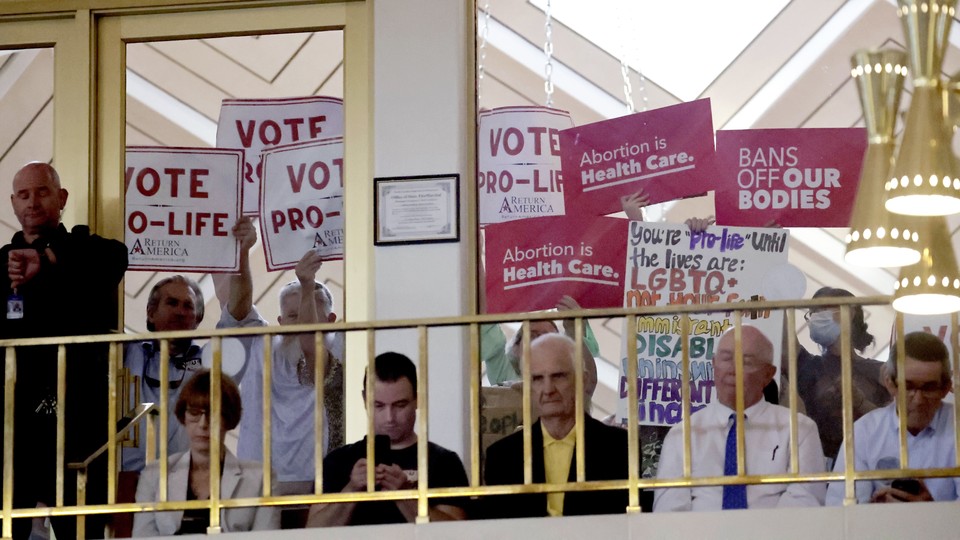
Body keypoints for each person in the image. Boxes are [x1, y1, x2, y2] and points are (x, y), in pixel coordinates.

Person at [0, 162, 128, 539]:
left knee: (79, 530)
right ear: (12, 203)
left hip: (77, 422)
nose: (33, 202)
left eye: (42, 191)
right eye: (23, 195)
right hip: (16, 427)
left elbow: (115, 259)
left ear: (62, 198)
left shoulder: (87, 250)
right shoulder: (2, 261)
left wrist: (48, 260)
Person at [221, 228, 342, 494]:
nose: (300, 324)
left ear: (331, 322)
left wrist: (308, 284)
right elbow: (239, 303)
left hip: (324, 483)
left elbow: (311, 342)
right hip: (260, 484)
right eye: (292, 316)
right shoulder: (260, 342)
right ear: (278, 322)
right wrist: (242, 253)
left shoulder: (341, 346)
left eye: (308, 313)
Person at [654, 326, 826, 511]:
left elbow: (805, 502)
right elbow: (669, 511)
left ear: (768, 374)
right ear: (714, 364)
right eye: (727, 359)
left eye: (746, 362)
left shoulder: (799, 429)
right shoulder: (683, 434)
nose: (733, 370)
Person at [306, 352, 469, 526]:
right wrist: (352, 491)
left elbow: (456, 533)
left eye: (400, 405)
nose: (390, 417)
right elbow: (313, 531)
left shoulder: (444, 462)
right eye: (379, 405)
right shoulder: (337, 461)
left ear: (417, 400)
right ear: (364, 400)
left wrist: (405, 497)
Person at [483, 334, 634, 517]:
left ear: (583, 380)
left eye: (558, 376)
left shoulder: (620, 448)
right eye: (537, 378)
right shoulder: (502, 457)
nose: (548, 389)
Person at [133, 370, 279, 535]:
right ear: (183, 417)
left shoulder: (260, 478)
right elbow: (143, 537)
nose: (203, 424)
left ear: (229, 419)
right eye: (194, 413)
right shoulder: (154, 474)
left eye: (213, 414)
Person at [826, 331, 960, 505]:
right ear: (890, 384)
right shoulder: (863, 433)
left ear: (945, 388)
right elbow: (842, 510)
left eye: (928, 388)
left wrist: (932, 510)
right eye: (908, 387)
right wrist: (876, 509)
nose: (918, 399)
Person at [794, 287, 890, 462]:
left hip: (870, 462)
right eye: (812, 312)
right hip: (818, 466)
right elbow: (784, 340)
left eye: (823, 309)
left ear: (849, 312)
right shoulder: (807, 365)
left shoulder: (881, 371)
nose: (817, 316)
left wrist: (860, 402)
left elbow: (893, 427)